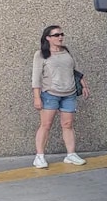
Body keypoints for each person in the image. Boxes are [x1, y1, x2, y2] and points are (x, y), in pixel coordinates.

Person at [31, 25, 88, 168]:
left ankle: (71, 154)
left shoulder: (66, 52)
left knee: (68, 125)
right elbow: (36, 77)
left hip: (69, 94)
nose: (60, 37)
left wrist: (84, 85)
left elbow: (74, 71)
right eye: (56, 35)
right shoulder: (41, 54)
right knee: (46, 125)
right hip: (50, 94)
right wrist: (37, 97)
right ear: (48, 38)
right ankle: (39, 156)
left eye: (62, 34)